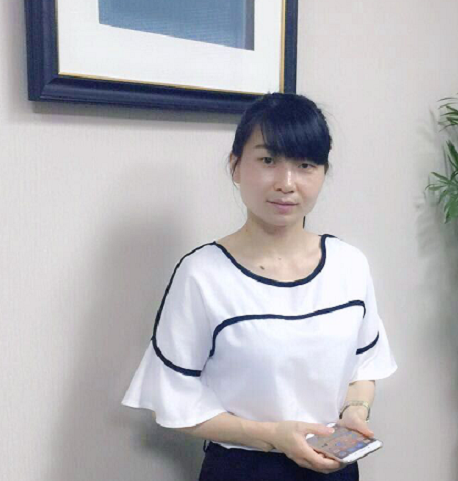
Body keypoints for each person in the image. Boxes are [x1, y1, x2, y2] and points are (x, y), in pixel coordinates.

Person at [121, 92, 398, 480]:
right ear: (235, 166)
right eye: (268, 161)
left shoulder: (349, 265)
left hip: (333, 467)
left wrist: (355, 413)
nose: (286, 184)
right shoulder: (202, 275)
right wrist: (272, 437)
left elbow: (364, 365)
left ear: (323, 172)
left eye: (305, 165)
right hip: (243, 468)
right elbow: (173, 400)